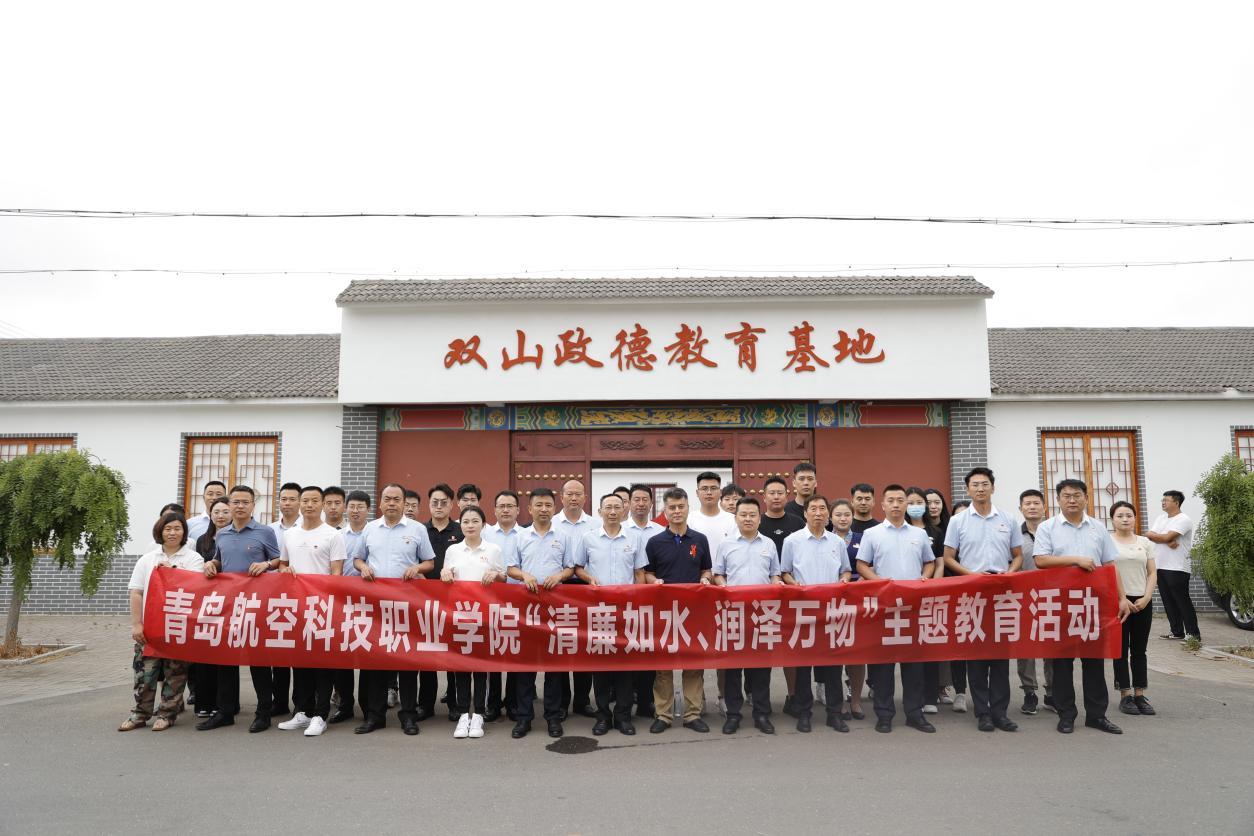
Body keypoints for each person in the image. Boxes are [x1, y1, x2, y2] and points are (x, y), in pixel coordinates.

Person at [1033, 478, 1133, 735]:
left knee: (1094, 661)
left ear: (1086, 498)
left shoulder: (1097, 528)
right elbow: (1041, 560)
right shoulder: (1047, 527)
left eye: (1077, 495)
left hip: (1093, 604)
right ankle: (1066, 715)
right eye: (1066, 496)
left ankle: (1097, 716)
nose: (1072, 500)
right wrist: (1076, 560)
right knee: (1062, 663)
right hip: (1060, 604)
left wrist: (1122, 598)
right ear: (1058, 499)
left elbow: (1110, 566)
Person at [350, 483, 436, 735]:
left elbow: (429, 562)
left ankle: (408, 716)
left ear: (403, 503)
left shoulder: (417, 529)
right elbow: (357, 558)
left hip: (406, 604)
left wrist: (417, 568)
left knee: (407, 662)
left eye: (396, 499)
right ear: (380, 503)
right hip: (376, 605)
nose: (391, 503)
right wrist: (363, 568)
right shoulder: (370, 529)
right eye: (387, 499)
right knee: (377, 661)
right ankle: (375, 716)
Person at [942, 467, 1023, 732]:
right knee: (976, 657)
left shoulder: (1008, 519)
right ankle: (983, 713)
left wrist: (1009, 574)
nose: (980, 488)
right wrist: (973, 576)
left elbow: (1018, 555)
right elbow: (949, 558)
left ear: (993, 487)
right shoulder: (958, 521)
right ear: (968, 489)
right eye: (975, 484)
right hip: (973, 593)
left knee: (1000, 656)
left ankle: (1000, 712)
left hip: (1001, 593)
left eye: (985, 484)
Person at [197, 485, 282, 733]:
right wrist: (211, 564)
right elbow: (220, 559)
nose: (240, 506)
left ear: (253, 505)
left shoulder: (265, 532)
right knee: (225, 661)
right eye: (236, 502)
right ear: (229, 504)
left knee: (259, 662)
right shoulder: (222, 534)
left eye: (245, 502)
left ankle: (263, 713)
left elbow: (278, 560)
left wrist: (266, 565)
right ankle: (225, 712)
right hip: (229, 606)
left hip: (257, 606)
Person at [857, 484, 937, 734]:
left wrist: (924, 578)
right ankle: (884, 714)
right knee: (883, 664)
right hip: (885, 606)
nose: (895, 504)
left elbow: (930, 562)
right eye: (890, 500)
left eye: (900, 500)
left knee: (913, 664)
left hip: (912, 606)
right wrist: (880, 582)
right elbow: (861, 565)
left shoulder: (919, 534)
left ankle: (915, 713)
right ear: (882, 505)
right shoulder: (872, 534)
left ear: (906, 505)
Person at [118, 512, 204, 732]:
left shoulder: (193, 559)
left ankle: (167, 714)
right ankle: (140, 714)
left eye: (177, 528)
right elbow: (136, 592)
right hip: (151, 627)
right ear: (160, 531)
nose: (172, 533)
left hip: (177, 627)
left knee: (175, 673)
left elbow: (196, 588)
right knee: (144, 674)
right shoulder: (147, 559)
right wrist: (136, 624)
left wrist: (172, 573)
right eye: (168, 529)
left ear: (184, 532)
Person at [572, 493, 647, 736]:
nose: (613, 511)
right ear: (600, 511)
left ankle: (623, 716)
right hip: (599, 611)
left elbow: (639, 573)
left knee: (625, 666)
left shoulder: (634, 538)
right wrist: (589, 578)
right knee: (601, 665)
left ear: (624, 510)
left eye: (617, 507)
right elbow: (577, 568)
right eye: (608, 507)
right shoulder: (589, 538)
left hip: (626, 611)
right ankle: (603, 715)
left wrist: (639, 601)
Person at [274, 486, 346, 738]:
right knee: (300, 661)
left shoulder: (333, 535)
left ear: (323, 504)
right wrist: (284, 570)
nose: (309, 505)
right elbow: (283, 564)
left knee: (322, 663)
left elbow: (337, 572)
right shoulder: (290, 535)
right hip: (295, 607)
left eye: (315, 500)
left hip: (322, 607)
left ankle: (320, 714)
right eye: (305, 500)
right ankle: (302, 711)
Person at [644, 487, 713, 734]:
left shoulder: (700, 540)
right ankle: (663, 715)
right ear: (665, 511)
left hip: (693, 612)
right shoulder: (654, 542)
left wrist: (706, 579)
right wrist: (654, 582)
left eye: (680, 506)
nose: (676, 511)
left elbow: (706, 569)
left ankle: (692, 714)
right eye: (671, 507)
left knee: (693, 664)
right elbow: (648, 573)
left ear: (687, 508)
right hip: (664, 613)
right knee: (663, 667)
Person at [781, 495, 852, 734]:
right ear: (805, 513)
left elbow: (846, 571)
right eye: (813, 509)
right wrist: (795, 585)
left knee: (833, 665)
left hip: (831, 610)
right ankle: (804, 712)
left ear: (828, 514)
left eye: (823, 508)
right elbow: (785, 572)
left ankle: (835, 713)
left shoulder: (837, 542)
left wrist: (843, 581)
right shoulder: (792, 541)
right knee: (803, 665)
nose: (818, 513)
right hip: (804, 610)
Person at [507, 488, 573, 739]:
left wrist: (560, 576)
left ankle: (553, 717)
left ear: (554, 509)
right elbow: (510, 568)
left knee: (554, 667)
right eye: (539, 505)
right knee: (525, 667)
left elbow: (570, 568)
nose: (544, 509)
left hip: (555, 609)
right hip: (527, 609)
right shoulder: (520, 536)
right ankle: (524, 718)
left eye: (548, 505)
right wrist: (524, 575)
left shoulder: (563, 536)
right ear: (530, 509)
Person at [712, 496, 781, 735]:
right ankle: (733, 714)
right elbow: (718, 574)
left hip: (763, 614)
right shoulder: (726, 545)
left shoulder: (769, 544)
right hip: (735, 613)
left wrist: (776, 583)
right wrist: (723, 586)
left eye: (752, 515)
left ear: (759, 518)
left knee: (761, 667)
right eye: (743, 515)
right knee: (733, 667)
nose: (748, 519)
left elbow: (774, 574)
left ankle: (762, 714)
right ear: (736, 518)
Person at [441, 504, 506, 740]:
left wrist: (496, 575)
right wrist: (444, 574)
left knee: (480, 667)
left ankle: (478, 713)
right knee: (460, 667)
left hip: (484, 616)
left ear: (483, 525)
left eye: (475, 521)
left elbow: (504, 578)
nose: (470, 525)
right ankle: (462, 714)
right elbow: (446, 576)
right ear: (461, 525)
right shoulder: (453, 550)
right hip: (459, 616)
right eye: (466, 522)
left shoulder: (493, 549)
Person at [686, 471, 736, 716]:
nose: (708, 492)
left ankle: (723, 696)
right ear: (697, 493)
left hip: (725, 591)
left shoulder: (732, 520)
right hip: (697, 592)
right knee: (696, 647)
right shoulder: (690, 519)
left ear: (720, 492)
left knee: (724, 648)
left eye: (713, 488)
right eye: (704, 488)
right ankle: (698, 699)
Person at [760, 474, 806, 713]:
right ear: (764, 497)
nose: (776, 497)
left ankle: (793, 695)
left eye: (780, 493)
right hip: (763, 596)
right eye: (772, 493)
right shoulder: (756, 522)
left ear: (787, 495)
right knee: (763, 646)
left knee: (792, 647)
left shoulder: (797, 522)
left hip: (793, 593)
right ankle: (760, 698)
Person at [1109, 500, 1158, 716]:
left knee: (1139, 650)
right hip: (1118, 603)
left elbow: (1152, 572)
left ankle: (1140, 693)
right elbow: (1107, 572)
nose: (1125, 519)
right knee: (1120, 650)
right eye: (1120, 516)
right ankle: (1125, 694)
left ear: (1135, 518)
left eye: (1129, 515)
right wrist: (1122, 598)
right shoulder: (1108, 542)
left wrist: (1147, 597)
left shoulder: (1144, 542)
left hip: (1142, 601)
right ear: (1112, 520)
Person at [553, 479, 595, 719]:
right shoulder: (552, 524)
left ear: (585, 498)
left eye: (578, 494)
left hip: (586, 588)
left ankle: (582, 700)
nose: (574, 498)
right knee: (562, 646)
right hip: (559, 588)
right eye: (569, 494)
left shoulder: (595, 524)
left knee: (584, 646)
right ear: (562, 497)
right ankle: (561, 702)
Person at [329, 489, 372, 724]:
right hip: (341, 600)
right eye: (352, 506)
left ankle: (368, 706)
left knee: (367, 653)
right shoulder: (337, 535)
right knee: (341, 655)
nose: (355, 511)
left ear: (368, 509)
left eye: (360, 507)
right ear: (346, 508)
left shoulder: (374, 533)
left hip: (368, 601)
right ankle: (345, 704)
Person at [421, 483, 462, 721]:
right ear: (429, 504)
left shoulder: (460, 530)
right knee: (427, 654)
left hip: (453, 601)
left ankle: (455, 704)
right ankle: (426, 705)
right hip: (424, 601)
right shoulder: (420, 530)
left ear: (451, 505)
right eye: (434, 502)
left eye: (443, 502)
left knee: (453, 653)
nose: (439, 506)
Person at [483, 489, 524, 721]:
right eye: (502, 506)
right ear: (495, 510)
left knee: (515, 652)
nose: (506, 510)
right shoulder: (485, 533)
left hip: (519, 600)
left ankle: (513, 703)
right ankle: (492, 704)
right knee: (493, 652)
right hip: (491, 600)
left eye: (510, 506)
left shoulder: (526, 534)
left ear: (518, 510)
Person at [188, 497, 231, 719]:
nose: (221, 516)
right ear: (210, 515)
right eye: (216, 512)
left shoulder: (233, 537)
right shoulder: (202, 540)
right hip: (206, 603)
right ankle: (204, 703)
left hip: (230, 602)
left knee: (226, 656)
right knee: (204, 652)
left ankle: (227, 704)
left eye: (225, 511)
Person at [625, 483, 665, 719]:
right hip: (624, 603)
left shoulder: (660, 531)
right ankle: (625, 699)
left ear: (651, 503)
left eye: (644, 500)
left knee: (649, 652)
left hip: (653, 602)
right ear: (629, 503)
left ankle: (646, 701)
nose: (640, 504)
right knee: (628, 651)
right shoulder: (620, 529)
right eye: (636, 499)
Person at [904, 487, 944, 716]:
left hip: (928, 595)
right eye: (910, 502)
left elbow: (939, 562)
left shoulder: (935, 532)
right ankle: (912, 697)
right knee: (907, 650)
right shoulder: (900, 529)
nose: (915, 506)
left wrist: (931, 585)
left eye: (919, 502)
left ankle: (929, 697)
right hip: (903, 597)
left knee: (928, 648)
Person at [267, 481, 302, 718]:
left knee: (299, 654)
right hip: (275, 598)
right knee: (278, 653)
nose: (287, 503)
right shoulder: (269, 530)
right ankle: (279, 702)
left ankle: (301, 703)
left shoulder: (306, 528)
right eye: (284, 499)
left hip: (302, 598)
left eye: (292, 499)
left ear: (300, 502)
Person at [1015, 488, 1052, 714]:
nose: (1032, 507)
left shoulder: (1053, 531)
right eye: (1027, 503)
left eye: (1036, 503)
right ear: (1020, 508)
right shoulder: (1014, 535)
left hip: (1052, 596)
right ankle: (1029, 692)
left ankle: (1052, 693)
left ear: (1044, 507)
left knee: (1052, 646)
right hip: (1024, 597)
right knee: (1026, 647)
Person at [830, 499, 867, 721]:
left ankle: (856, 701)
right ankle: (838, 700)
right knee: (836, 652)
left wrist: (860, 581)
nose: (843, 518)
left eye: (846, 514)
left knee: (857, 653)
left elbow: (871, 563)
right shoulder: (826, 539)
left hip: (858, 599)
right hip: (831, 599)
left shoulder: (864, 538)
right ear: (831, 518)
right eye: (838, 515)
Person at [1147, 490, 1199, 642]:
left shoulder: (1184, 519)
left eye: (1166, 500)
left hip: (1177, 567)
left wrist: (1164, 538)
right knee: (1168, 601)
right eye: (1162, 500)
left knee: (1182, 601)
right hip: (1160, 565)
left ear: (1176, 503)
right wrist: (1165, 540)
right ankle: (1177, 632)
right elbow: (1149, 534)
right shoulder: (1161, 518)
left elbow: (1165, 536)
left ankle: (1193, 634)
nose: (1163, 502)